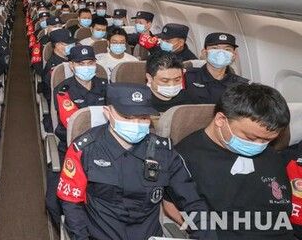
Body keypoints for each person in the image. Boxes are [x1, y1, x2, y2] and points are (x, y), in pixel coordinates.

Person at [58, 83, 214, 240]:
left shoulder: (164, 153)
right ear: (108, 112)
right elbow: (71, 203)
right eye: (127, 117)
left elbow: (192, 202)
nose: (136, 124)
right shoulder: (84, 149)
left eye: (143, 118)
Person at [176, 83, 294, 239]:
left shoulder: (272, 156)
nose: (259, 145)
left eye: (267, 140)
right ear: (220, 120)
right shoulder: (185, 157)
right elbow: (172, 206)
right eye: (251, 138)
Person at [45, 46, 108, 226]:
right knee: (53, 201)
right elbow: (72, 123)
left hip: (105, 146)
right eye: (81, 63)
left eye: (90, 63)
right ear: (72, 65)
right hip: (71, 147)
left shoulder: (106, 86)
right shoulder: (63, 89)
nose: (86, 67)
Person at [185, 32, 248, 104]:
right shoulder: (187, 77)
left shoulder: (242, 85)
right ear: (204, 52)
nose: (221, 53)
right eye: (215, 48)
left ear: (233, 55)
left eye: (227, 49)